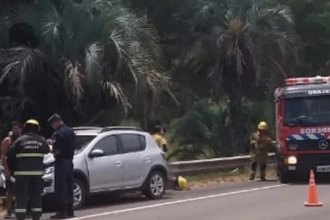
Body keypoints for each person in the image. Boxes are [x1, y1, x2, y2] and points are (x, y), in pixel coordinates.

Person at [7, 119, 49, 220]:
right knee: (36, 195)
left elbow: (11, 156)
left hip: (21, 174)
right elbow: (47, 151)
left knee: (21, 196)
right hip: (37, 174)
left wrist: (13, 171)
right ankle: (36, 216)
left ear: (25, 128)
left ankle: (20, 217)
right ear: (37, 128)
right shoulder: (41, 140)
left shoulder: (20, 140)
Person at [47, 113, 75, 219]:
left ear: (56, 122)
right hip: (70, 160)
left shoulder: (58, 133)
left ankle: (61, 211)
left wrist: (49, 148)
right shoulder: (70, 131)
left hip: (61, 161)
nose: (52, 126)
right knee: (69, 185)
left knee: (60, 186)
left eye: (52, 124)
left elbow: (56, 151)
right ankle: (70, 210)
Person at [1, 121, 22, 219]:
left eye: (17, 128)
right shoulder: (7, 140)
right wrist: (6, 170)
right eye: (14, 128)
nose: (16, 130)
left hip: (21, 170)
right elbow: (3, 156)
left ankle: (19, 212)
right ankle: (8, 212)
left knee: (21, 191)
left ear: (20, 129)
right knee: (10, 192)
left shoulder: (23, 139)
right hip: (10, 169)